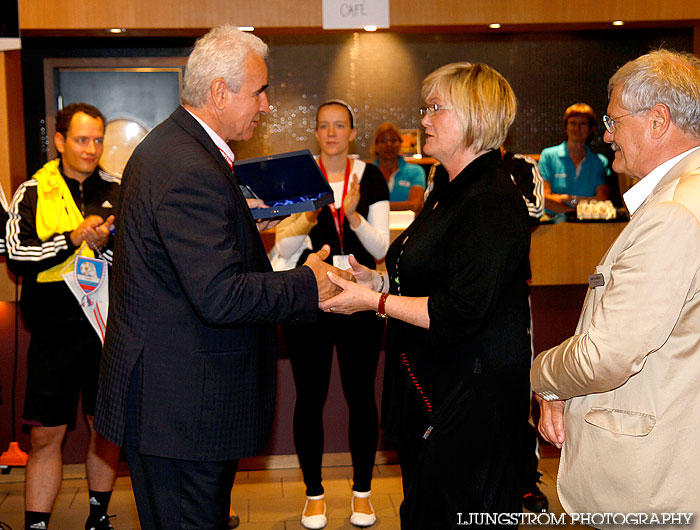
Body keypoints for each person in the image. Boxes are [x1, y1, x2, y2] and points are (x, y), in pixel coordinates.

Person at [93, 26, 348, 530]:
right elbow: (220, 295)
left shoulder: (175, 147)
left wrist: (240, 216)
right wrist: (308, 281)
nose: (268, 105)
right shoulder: (190, 166)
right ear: (219, 92)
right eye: (259, 90)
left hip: (175, 402)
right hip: (184, 410)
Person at [318, 62, 533, 529]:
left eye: (437, 108)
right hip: (433, 390)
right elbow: (427, 276)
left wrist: (371, 303)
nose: (425, 119)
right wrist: (374, 282)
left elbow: (458, 311)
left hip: (470, 403)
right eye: (425, 107)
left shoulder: (492, 198)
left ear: (476, 118)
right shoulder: (447, 189)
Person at [531, 49, 700, 523]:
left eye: (613, 120)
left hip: (657, 483)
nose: (606, 135)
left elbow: (608, 355)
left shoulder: (674, 213)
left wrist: (543, 376)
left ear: (658, 120)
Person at [272, 99, 389, 529]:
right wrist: (304, 220)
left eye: (340, 126)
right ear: (316, 133)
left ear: (353, 132)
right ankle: (314, 495)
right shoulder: (301, 177)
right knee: (310, 398)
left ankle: (362, 493)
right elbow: (280, 250)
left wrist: (353, 213)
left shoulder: (370, 175)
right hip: (310, 300)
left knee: (361, 397)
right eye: (324, 126)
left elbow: (381, 250)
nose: (332, 133)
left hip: (358, 299)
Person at [5, 103, 121, 530]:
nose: (91, 149)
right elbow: (17, 256)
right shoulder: (32, 190)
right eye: (81, 139)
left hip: (105, 332)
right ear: (59, 142)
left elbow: (135, 255)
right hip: (52, 334)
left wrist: (105, 243)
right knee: (44, 436)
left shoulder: (119, 188)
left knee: (105, 431)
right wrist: (72, 238)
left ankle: (98, 517)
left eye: (97, 140)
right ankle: (36, 524)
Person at [538, 103, 610, 211]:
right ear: (565, 127)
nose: (577, 128)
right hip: (554, 223)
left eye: (582, 124)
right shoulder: (548, 156)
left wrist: (569, 199)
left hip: (589, 225)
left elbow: (602, 200)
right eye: (572, 123)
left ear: (591, 129)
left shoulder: (600, 162)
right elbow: (543, 198)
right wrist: (576, 214)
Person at [370, 122, 426, 214]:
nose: (389, 145)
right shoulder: (367, 173)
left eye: (393, 140)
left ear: (400, 143)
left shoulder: (416, 171)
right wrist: (405, 206)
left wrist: (377, 207)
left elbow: (416, 205)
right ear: (376, 145)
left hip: (408, 226)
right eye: (383, 141)